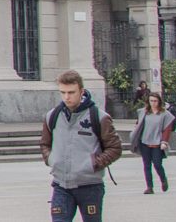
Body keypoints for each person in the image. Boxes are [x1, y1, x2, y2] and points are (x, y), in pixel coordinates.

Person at [40, 69, 122, 222]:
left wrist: (93, 164)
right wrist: (52, 159)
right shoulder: (52, 116)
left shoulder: (99, 117)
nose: (66, 97)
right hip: (61, 185)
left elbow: (115, 148)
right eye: (63, 92)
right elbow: (45, 143)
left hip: (90, 185)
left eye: (71, 92)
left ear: (81, 91)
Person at [130, 91, 175, 194]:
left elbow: (167, 129)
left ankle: (163, 180)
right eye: (151, 101)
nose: (153, 103)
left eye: (155, 101)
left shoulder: (165, 114)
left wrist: (164, 141)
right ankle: (149, 187)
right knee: (146, 165)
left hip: (157, 143)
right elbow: (139, 125)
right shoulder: (144, 112)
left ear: (159, 101)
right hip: (144, 141)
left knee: (157, 164)